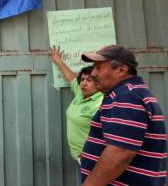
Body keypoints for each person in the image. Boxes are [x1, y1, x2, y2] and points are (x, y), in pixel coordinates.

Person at [80, 45, 167, 186]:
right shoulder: (129, 93)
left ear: (121, 70)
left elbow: (120, 154)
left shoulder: (127, 96)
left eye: (99, 68)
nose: (93, 74)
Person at [50, 46, 103, 184]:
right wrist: (58, 61)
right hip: (79, 158)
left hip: (94, 159)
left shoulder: (100, 102)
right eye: (83, 79)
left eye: (89, 80)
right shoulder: (81, 93)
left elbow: (107, 133)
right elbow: (72, 78)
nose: (84, 83)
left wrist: (93, 153)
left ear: (98, 83)